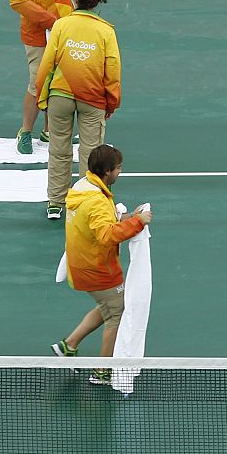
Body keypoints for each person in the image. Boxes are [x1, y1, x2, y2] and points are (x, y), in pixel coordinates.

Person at [51, 144, 150, 385]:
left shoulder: (84, 187)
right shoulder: (95, 199)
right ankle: (103, 370)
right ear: (107, 171)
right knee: (118, 312)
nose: (120, 172)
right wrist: (138, 223)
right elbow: (106, 235)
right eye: (118, 168)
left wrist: (129, 218)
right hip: (96, 268)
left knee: (110, 306)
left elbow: (99, 223)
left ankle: (69, 345)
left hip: (82, 263)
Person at [36, 0, 122, 221]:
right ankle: (88, 202)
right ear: (98, 1)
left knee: (58, 150)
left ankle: (55, 202)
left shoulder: (61, 25)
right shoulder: (106, 31)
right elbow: (113, 69)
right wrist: (112, 101)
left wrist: (43, 97)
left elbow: (47, 64)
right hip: (92, 99)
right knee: (91, 153)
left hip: (59, 96)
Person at [10, 0, 75, 154]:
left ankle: (49, 133)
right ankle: (25, 132)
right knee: (37, 84)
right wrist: (50, 21)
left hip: (61, 30)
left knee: (58, 83)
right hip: (40, 33)